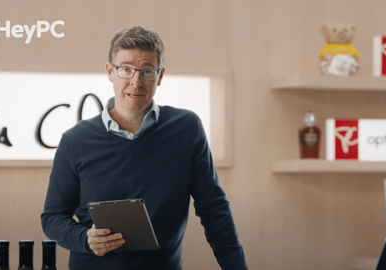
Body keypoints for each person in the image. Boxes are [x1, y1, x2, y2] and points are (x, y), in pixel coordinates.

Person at [41, 26, 249, 270]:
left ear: (160, 76)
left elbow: (213, 207)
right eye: (126, 69)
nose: (136, 81)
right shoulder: (75, 141)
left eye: (147, 71)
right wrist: (84, 239)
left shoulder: (187, 129)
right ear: (110, 71)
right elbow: (53, 217)